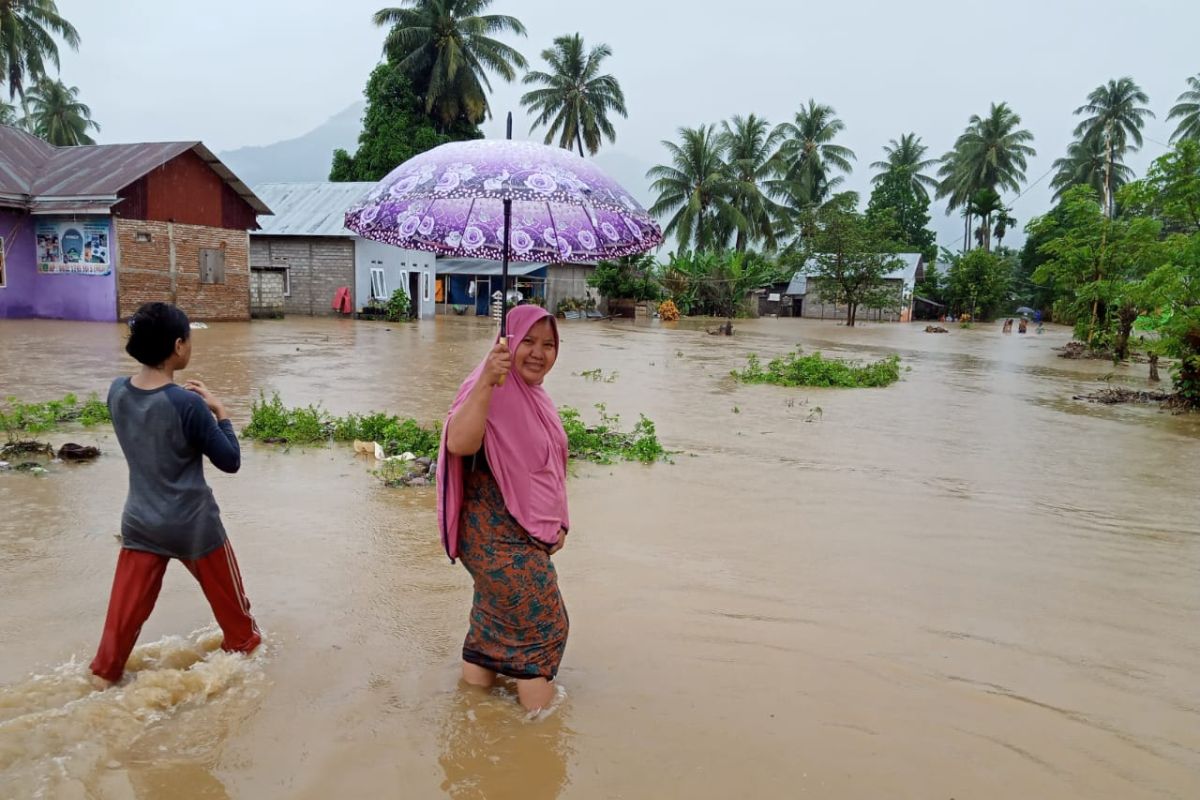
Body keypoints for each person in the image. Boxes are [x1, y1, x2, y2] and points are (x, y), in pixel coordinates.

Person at [90, 302, 260, 688]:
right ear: (178, 346)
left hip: (140, 522)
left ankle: (103, 680)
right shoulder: (187, 404)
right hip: (194, 528)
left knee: (117, 634)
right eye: (190, 341)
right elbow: (230, 461)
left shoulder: (117, 392)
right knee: (241, 633)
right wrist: (222, 413)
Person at [436, 305, 570, 713]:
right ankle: (537, 742)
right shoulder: (488, 385)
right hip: (493, 534)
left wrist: (555, 522)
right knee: (546, 627)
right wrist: (485, 384)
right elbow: (460, 443)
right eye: (527, 341)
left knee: (492, 624)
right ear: (507, 342)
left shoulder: (536, 397)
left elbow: (544, 470)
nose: (538, 352)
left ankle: (474, 716)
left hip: (518, 534)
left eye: (548, 345)